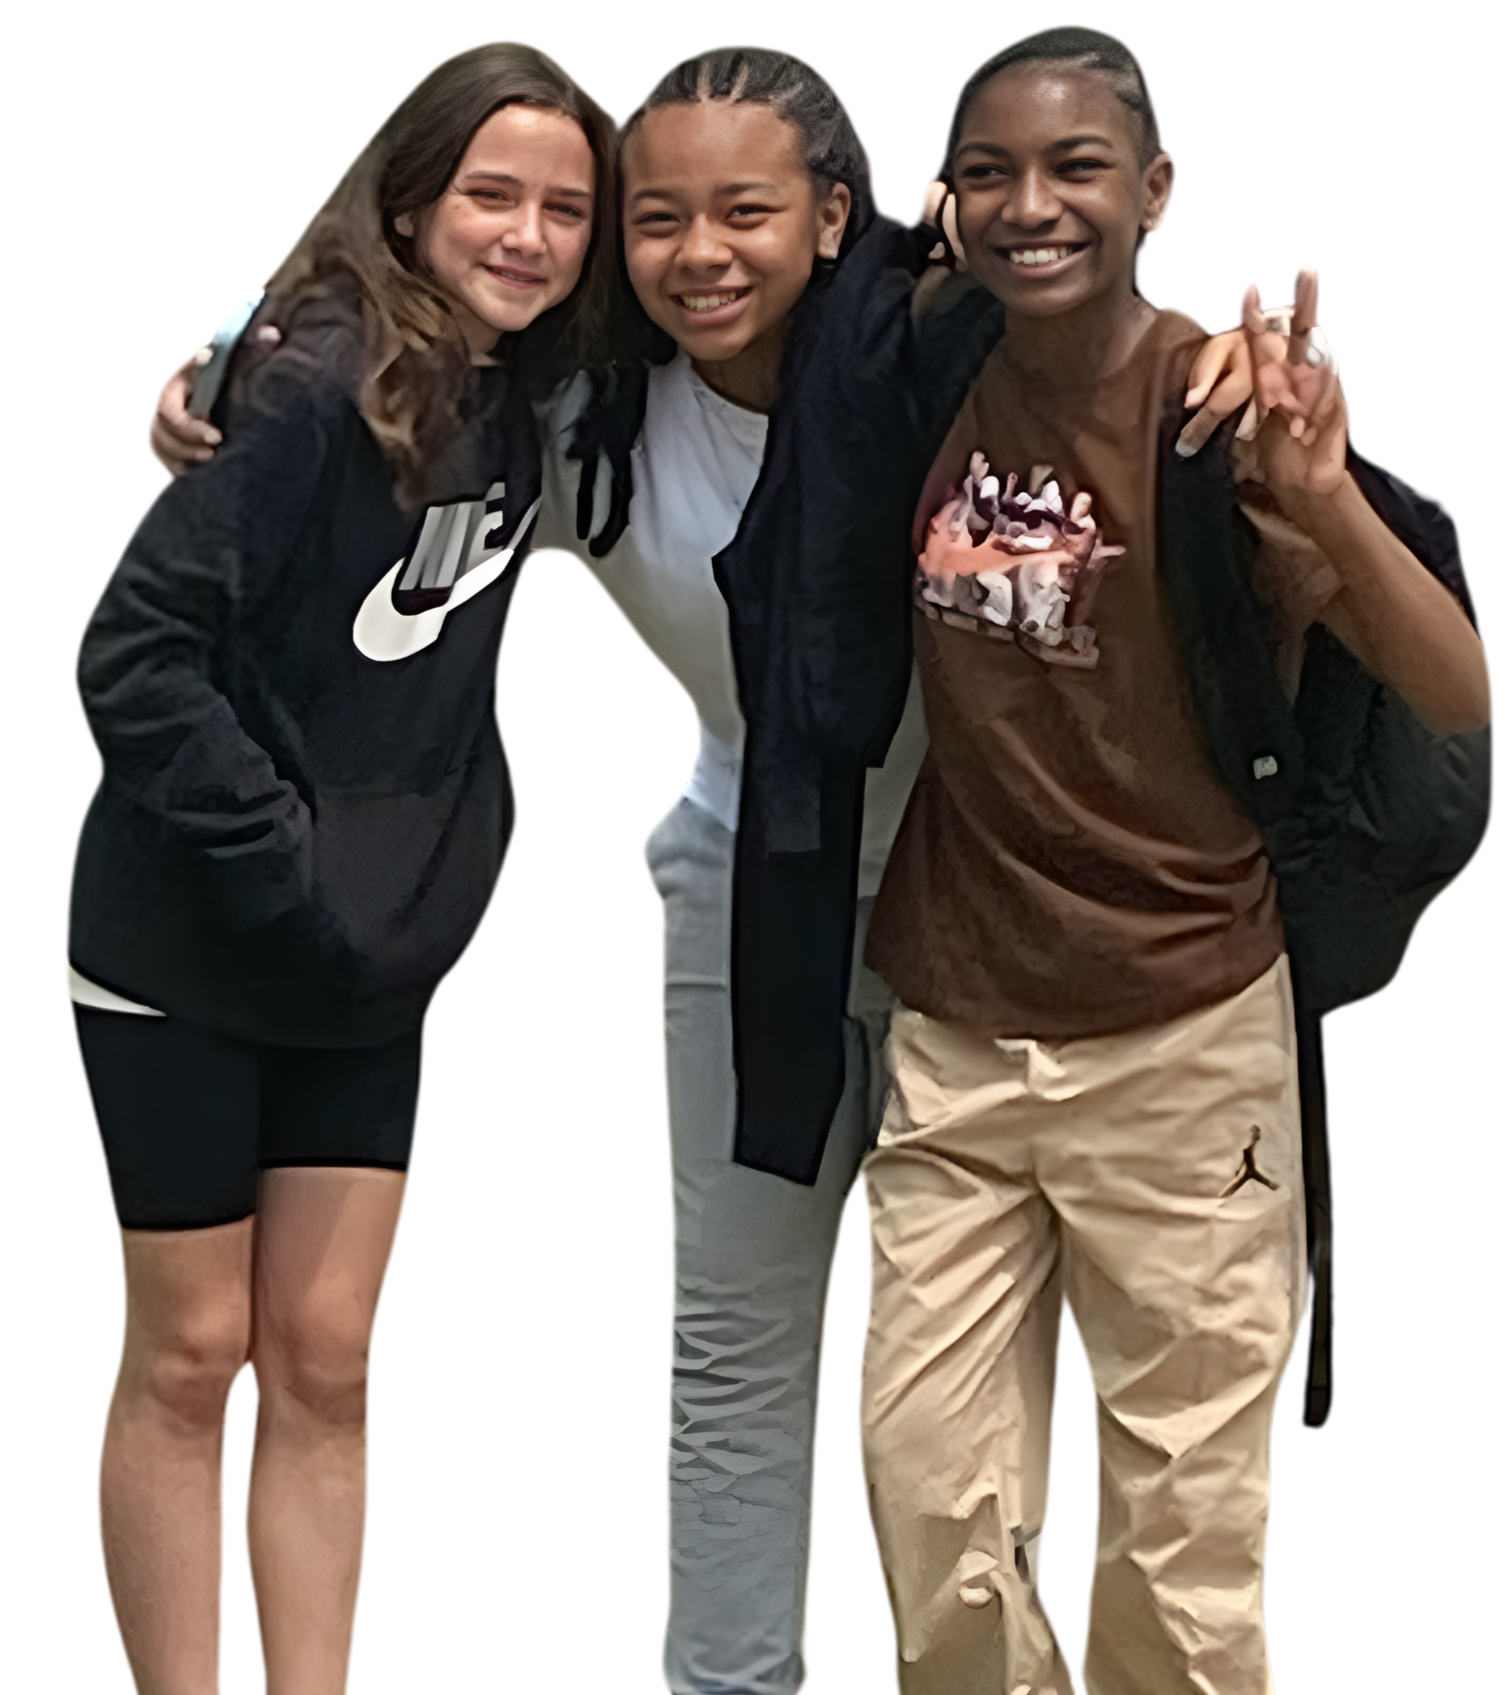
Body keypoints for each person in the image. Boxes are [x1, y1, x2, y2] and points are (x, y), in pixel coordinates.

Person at [140, 42, 1261, 1694]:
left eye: (745, 211)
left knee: (985, 1380)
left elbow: (1103, 330)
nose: (698, 254)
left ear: (832, 216)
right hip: (744, 896)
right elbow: (378, 367)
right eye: (655, 217)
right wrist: (232, 353)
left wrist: (1240, 348)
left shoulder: (937, 366)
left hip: (987, 900)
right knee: (735, 1343)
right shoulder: (582, 420)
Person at [843, 25, 1494, 1695]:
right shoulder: (930, 356)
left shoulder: (1222, 416)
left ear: (1157, 191)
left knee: (1177, 1539)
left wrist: (1323, 502)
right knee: (927, 1493)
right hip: (956, 1024)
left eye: (1076, 169)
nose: (1031, 206)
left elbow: (1455, 689)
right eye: (990, 173)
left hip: (1183, 1039)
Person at [68, 41, 621, 1693]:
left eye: (566, 209)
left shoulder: (528, 391)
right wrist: (286, 865)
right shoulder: (312, 383)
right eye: (490, 195)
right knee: (193, 1352)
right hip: (184, 940)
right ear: (409, 203)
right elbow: (132, 653)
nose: (527, 235)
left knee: (321, 1354)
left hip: (363, 965)